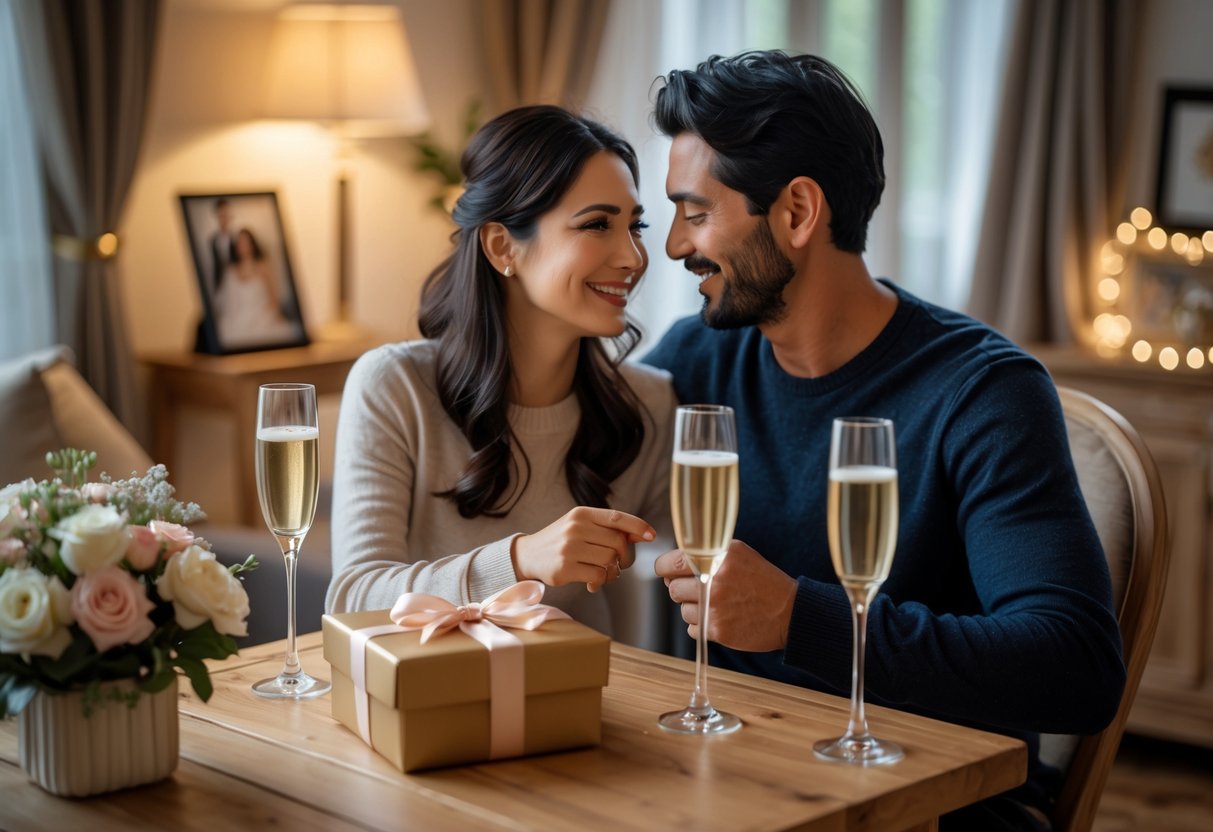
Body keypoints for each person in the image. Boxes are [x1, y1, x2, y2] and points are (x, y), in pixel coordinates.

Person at [642, 51, 1124, 830]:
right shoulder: (697, 357)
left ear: (797, 212)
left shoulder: (982, 392)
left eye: (695, 213)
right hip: (735, 784)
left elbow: (1073, 665)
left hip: (940, 807)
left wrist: (802, 619)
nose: (672, 246)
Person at [326, 105, 676, 637]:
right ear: (501, 246)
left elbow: (669, 599)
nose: (633, 257)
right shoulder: (394, 387)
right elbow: (353, 598)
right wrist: (518, 559)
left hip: (586, 706)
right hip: (427, 707)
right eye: (598, 225)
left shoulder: (648, 405)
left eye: (636, 225)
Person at [214, 228, 299, 349]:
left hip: (261, 316)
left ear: (252, 245)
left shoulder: (263, 267)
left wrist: (272, 315)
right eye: (240, 243)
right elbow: (226, 300)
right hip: (237, 317)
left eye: (246, 243)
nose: (243, 247)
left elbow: (274, 296)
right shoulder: (231, 271)